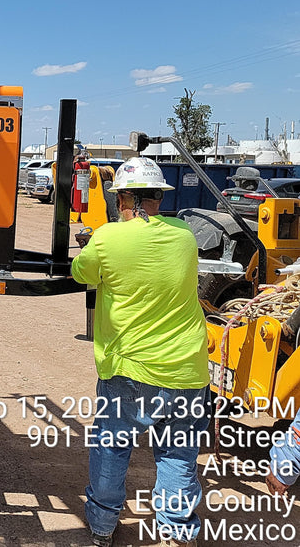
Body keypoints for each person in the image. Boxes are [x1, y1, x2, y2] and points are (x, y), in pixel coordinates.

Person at [72, 157, 210, 547]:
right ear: (158, 199)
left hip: (127, 369)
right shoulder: (184, 235)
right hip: (186, 369)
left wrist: (93, 243)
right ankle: (177, 533)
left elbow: (81, 272)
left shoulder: (108, 237)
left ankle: (102, 528)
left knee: (113, 448)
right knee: (178, 455)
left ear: (126, 199)